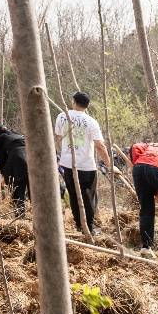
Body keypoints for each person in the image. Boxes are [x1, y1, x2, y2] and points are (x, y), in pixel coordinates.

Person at [54, 92, 107, 235]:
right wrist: (109, 163)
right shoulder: (91, 121)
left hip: (67, 163)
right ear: (87, 105)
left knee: (73, 194)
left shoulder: (61, 116)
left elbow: (58, 137)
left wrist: (64, 152)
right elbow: (100, 146)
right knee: (88, 195)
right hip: (86, 165)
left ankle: (79, 225)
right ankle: (88, 228)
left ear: (73, 101)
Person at [128, 141, 158, 252]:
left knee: (146, 210)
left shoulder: (149, 145)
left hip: (138, 168)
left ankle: (146, 247)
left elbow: (134, 148)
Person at [0, 124, 29, 217]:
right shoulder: (18, 135)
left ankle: (20, 213)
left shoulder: (0, 138)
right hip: (31, 157)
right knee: (33, 187)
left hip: (18, 158)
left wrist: (3, 171)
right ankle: (38, 213)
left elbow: (1, 157)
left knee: (17, 186)